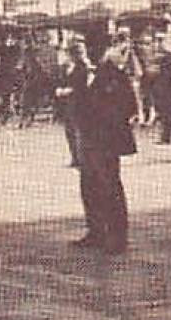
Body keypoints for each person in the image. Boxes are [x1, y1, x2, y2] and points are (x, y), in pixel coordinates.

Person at [70, 32, 138, 255]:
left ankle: (117, 237)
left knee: (109, 185)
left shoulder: (113, 75)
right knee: (89, 185)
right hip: (87, 137)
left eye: (92, 51)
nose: (88, 55)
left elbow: (127, 105)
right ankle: (96, 231)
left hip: (105, 139)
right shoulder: (84, 74)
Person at [55, 39, 88, 167]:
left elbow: (81, 85)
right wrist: (59, 89)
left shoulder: (82, 67)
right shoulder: (65, 68)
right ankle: (74, 157)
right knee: (69, 130)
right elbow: (60, 81)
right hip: (67, 102)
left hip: (79, 101)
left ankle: (81, 158)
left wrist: (67, 90)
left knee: (78, 130)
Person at [149, 52, 171, 145]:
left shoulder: (161, 73)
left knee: (162, 115)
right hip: (167, 95)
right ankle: (165, 137)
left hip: (162, 94)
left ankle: (161, 136)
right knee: (166, 116)